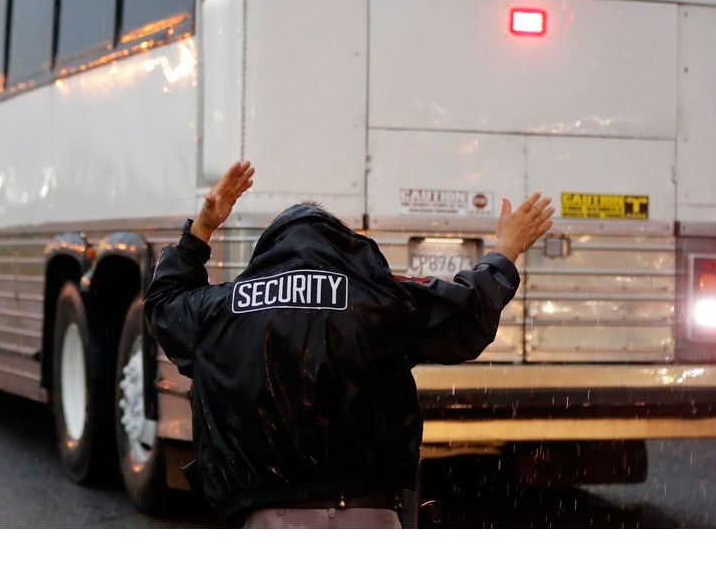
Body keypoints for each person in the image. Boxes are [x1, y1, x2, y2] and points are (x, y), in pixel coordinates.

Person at [143, 161, 554, 528]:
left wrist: (201, 230)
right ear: (345, 248)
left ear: (269, 250)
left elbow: (163, 304)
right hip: (369, 515)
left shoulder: (222, 310)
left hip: (267, 519)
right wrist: (506, 249)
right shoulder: (380, 301)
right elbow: (467, 313)